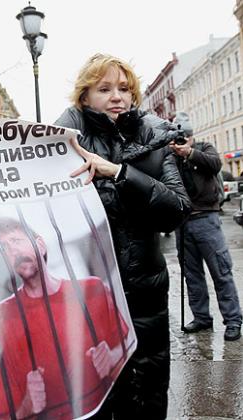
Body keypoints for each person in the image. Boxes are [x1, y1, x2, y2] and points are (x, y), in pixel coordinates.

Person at [55, 53, 191, 420]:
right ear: (84, 97)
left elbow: (177, 210)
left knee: (146, 392)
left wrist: (119, 173)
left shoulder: (155, 140)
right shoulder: (58, 146)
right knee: (94, 394)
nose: (117, 96)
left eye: (124, 88)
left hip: (145, 291)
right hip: (86, 292)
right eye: (104, 89)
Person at [0, 217, 131, 420]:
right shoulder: (6, 314)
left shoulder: (93, 290)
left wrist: (112, 358)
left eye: (16, 240)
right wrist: (28, 405)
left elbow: (128, 356)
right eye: (4, 248)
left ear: (40, 244)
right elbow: (5, 414)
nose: (13, 251)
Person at [170, 111, 242, 341]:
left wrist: (190, 153)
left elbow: (214, 164)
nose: (182, 141)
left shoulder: (204, 148)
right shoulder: (169, 157)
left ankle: (233, 320)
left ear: (192, 136)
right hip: (182, 223)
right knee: (192, 275)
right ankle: (201, 318)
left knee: (221, 272)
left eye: (186, 137)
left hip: (206, 220)